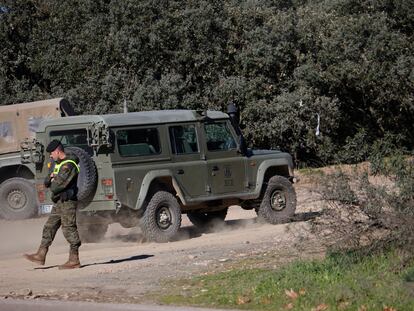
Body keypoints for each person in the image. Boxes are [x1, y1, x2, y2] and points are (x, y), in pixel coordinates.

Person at [23, 140, 82, 269]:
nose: (50, 156)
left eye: (51, 153)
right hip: (59, 202)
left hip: (67, 202)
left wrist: (53, 179)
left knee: (69, 229)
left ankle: (74, 259)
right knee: (49, 226)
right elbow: (46, 182)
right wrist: (52, 178)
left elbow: (56, 186)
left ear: (57, 151)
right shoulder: (57, 164)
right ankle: (41, 255)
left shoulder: (69, 165)